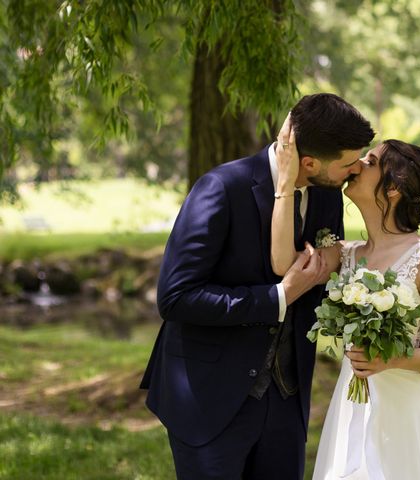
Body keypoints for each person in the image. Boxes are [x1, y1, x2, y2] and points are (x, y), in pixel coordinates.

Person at [139, 93, 375, 480]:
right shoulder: (221, 188)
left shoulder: (328, 195)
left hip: (287, 400)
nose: (356, 171)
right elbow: (176, 297)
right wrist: (278, 298)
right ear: (311, 162)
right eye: (349, 163)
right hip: (209, 396)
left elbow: (322, 277)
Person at [272, 125, 420, 479]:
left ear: (392, 188)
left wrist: (392, 357)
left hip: (405, 413)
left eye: (371, 161)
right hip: (350, 406)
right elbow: (285, 265)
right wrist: (285, 186)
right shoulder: (344, 254)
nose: (358, 164)